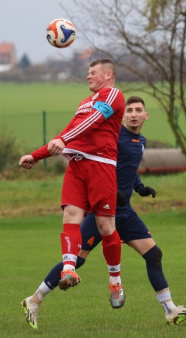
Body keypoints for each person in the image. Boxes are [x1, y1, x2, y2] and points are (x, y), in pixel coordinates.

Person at [22, 95, 186, 328]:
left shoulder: (141, 141)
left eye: (139, 110)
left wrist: (140, 188)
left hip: (125, 212)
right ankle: (34, 300)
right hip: (102, 213)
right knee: (76, 262)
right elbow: (100, 167)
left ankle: (170, 309)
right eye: (130, 110)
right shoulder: (113, 138)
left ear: (146, 116)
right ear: (123, 115)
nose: (134, 114)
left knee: (154, 255)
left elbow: (128, 169)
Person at [18, 58, 126, 307]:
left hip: (100, 167)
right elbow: (68, 131)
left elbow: (93, 122)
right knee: (70, 216)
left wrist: (64, 139)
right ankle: (69, 269)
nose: (88, 76)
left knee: (106, 227)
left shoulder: (112, 95)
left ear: (108, 75)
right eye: (87, 73)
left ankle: (115, 281)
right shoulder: (84, 102)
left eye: (93, 73)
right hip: (77, 167)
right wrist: (35, 156)